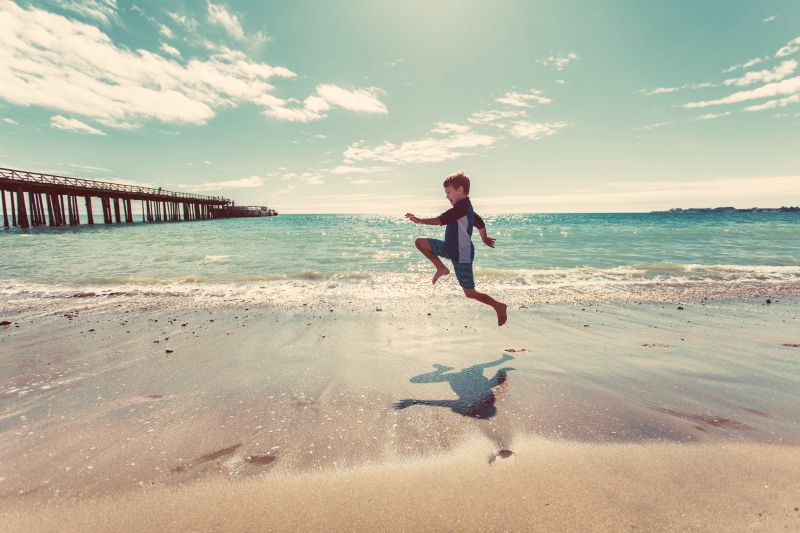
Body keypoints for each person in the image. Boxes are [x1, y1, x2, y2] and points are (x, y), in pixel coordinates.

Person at [405, 171, 508, 326]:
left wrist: (420, 221)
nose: (447, 197)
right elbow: (479, 222)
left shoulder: (462, 208)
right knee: (420, 242)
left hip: (462, 254)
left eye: (448, 193)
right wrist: (484, 238)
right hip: (449, 248)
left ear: (460, 190)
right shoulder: (466, 208)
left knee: (470, 293)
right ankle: (441, 268)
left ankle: (498, 306)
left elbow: (441, 220)